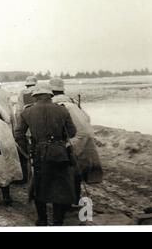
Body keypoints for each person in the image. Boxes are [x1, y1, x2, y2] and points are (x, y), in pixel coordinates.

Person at [14, 84, 77, 226]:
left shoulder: (27, 112)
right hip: (60, 152)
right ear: (50, 96)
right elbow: (72, 132)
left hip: (38, 152)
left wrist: (27, 151)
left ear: (35, 97)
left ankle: (42, 220)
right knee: (59, 185)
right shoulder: (62, 110)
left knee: (39, 185)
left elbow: (18, 134)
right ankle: (57, 220)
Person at [49, 77, 103, 204]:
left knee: (66, 170)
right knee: (77, 169)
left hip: (73, 139)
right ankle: (76, 199)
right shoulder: (72, 104)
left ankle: (67, 202)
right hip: (86, 138)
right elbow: (87, 118)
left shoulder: (56, 105)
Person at [14, 75, 38, 184]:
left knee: (24, 153)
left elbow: (18, 111)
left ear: (26, 84)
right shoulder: (39, 91)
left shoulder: (22, 93)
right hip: (37, 127)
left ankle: (25, 177)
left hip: (25, 127)